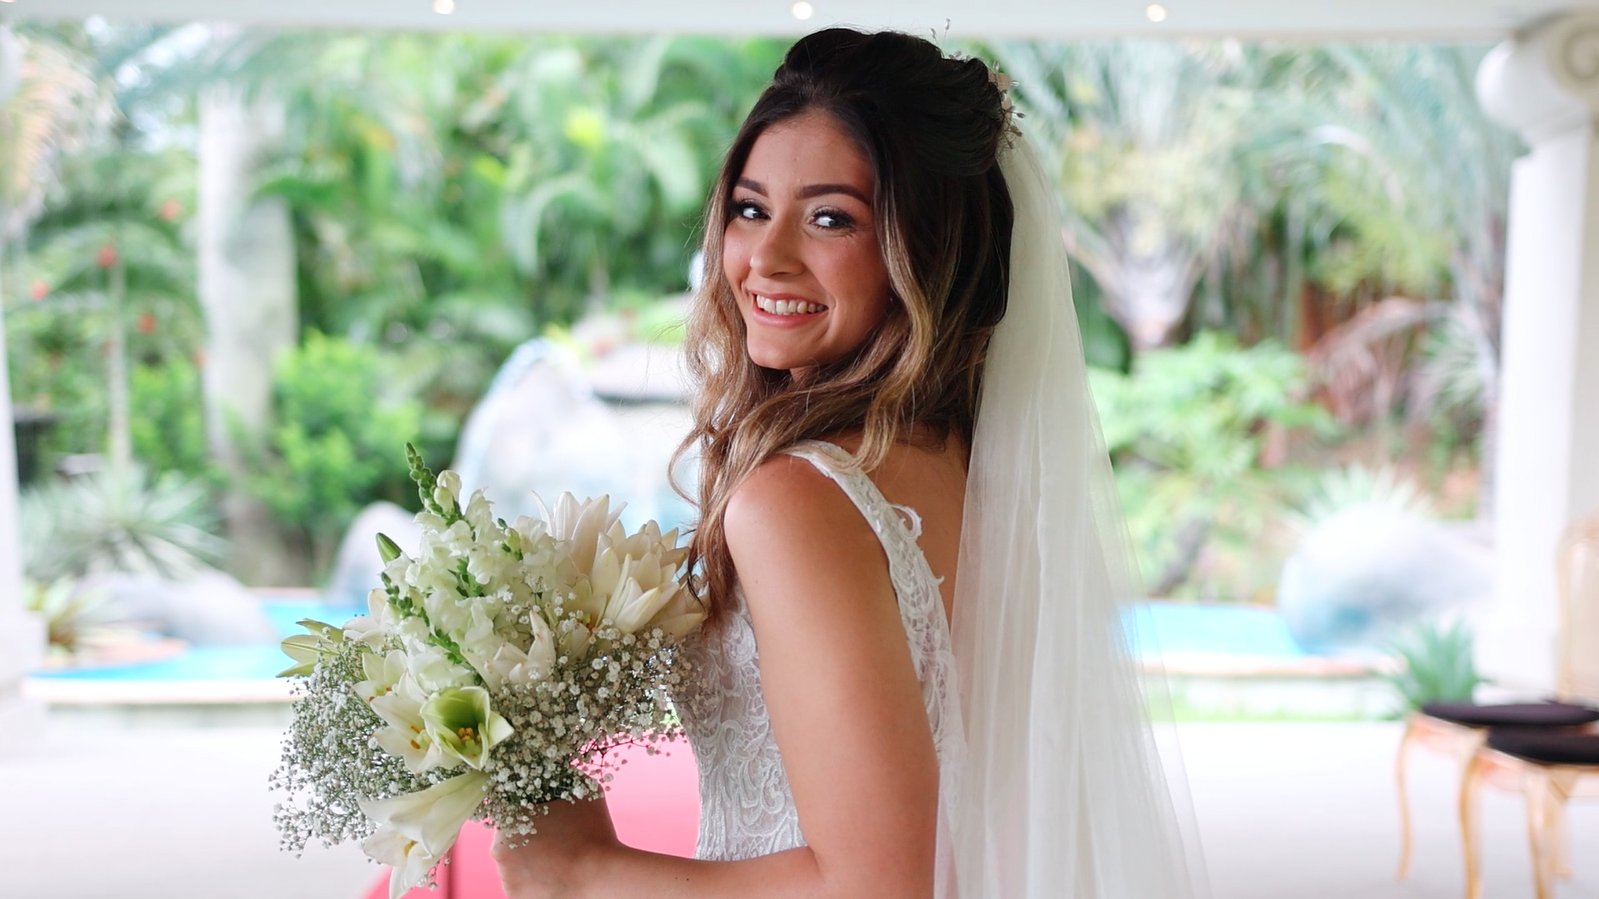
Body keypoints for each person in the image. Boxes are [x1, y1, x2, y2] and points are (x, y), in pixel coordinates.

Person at [493, 28, 1201, 898]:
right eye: (750, 209)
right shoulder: (974, 471)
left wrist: (583, 870)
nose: (765, 258)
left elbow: (875, 884)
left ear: (924, 248)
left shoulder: (797, 499)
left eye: (831, 218)